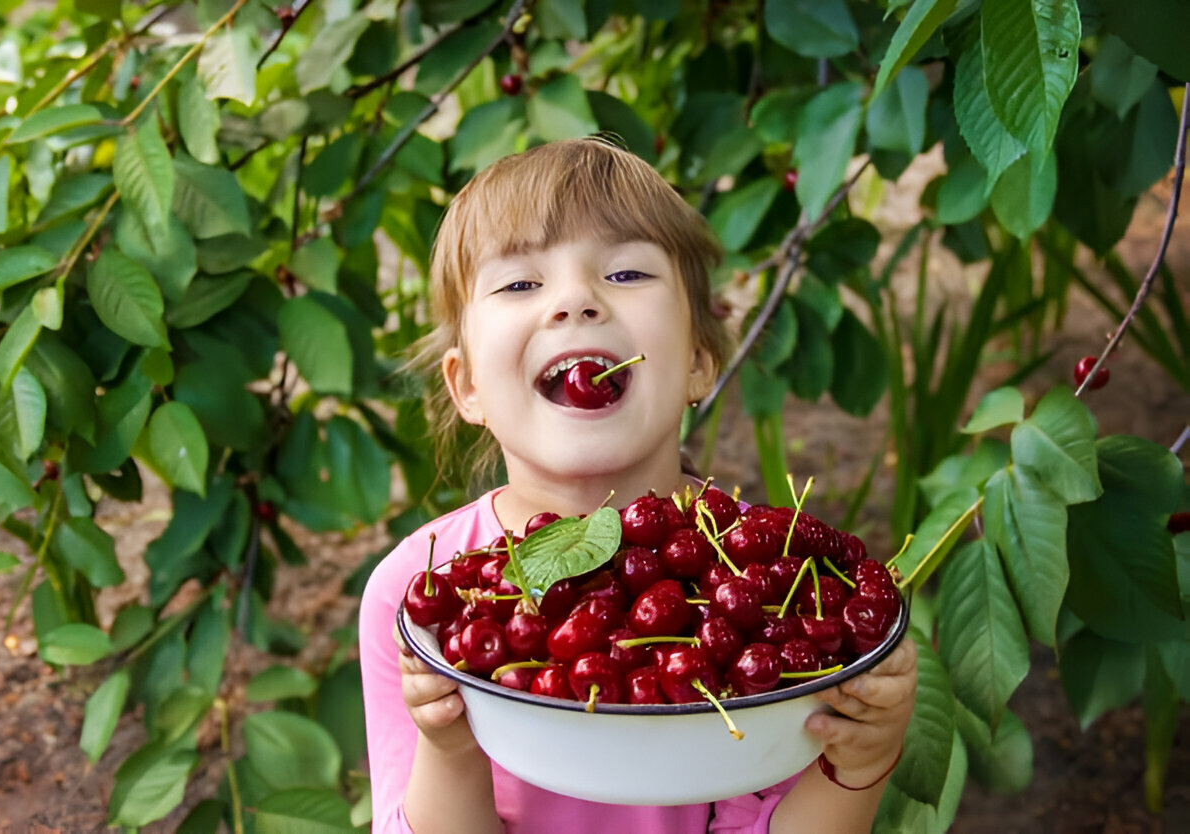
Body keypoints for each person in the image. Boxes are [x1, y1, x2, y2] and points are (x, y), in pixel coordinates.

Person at [358, 137, 917, 833]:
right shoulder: (419, 598)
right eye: (521, 284)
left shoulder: (764, 579)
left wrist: (861, 760)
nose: (575, 302)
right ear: (467, 385)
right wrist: (449, 742)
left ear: (699, 363)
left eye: (625, 273)